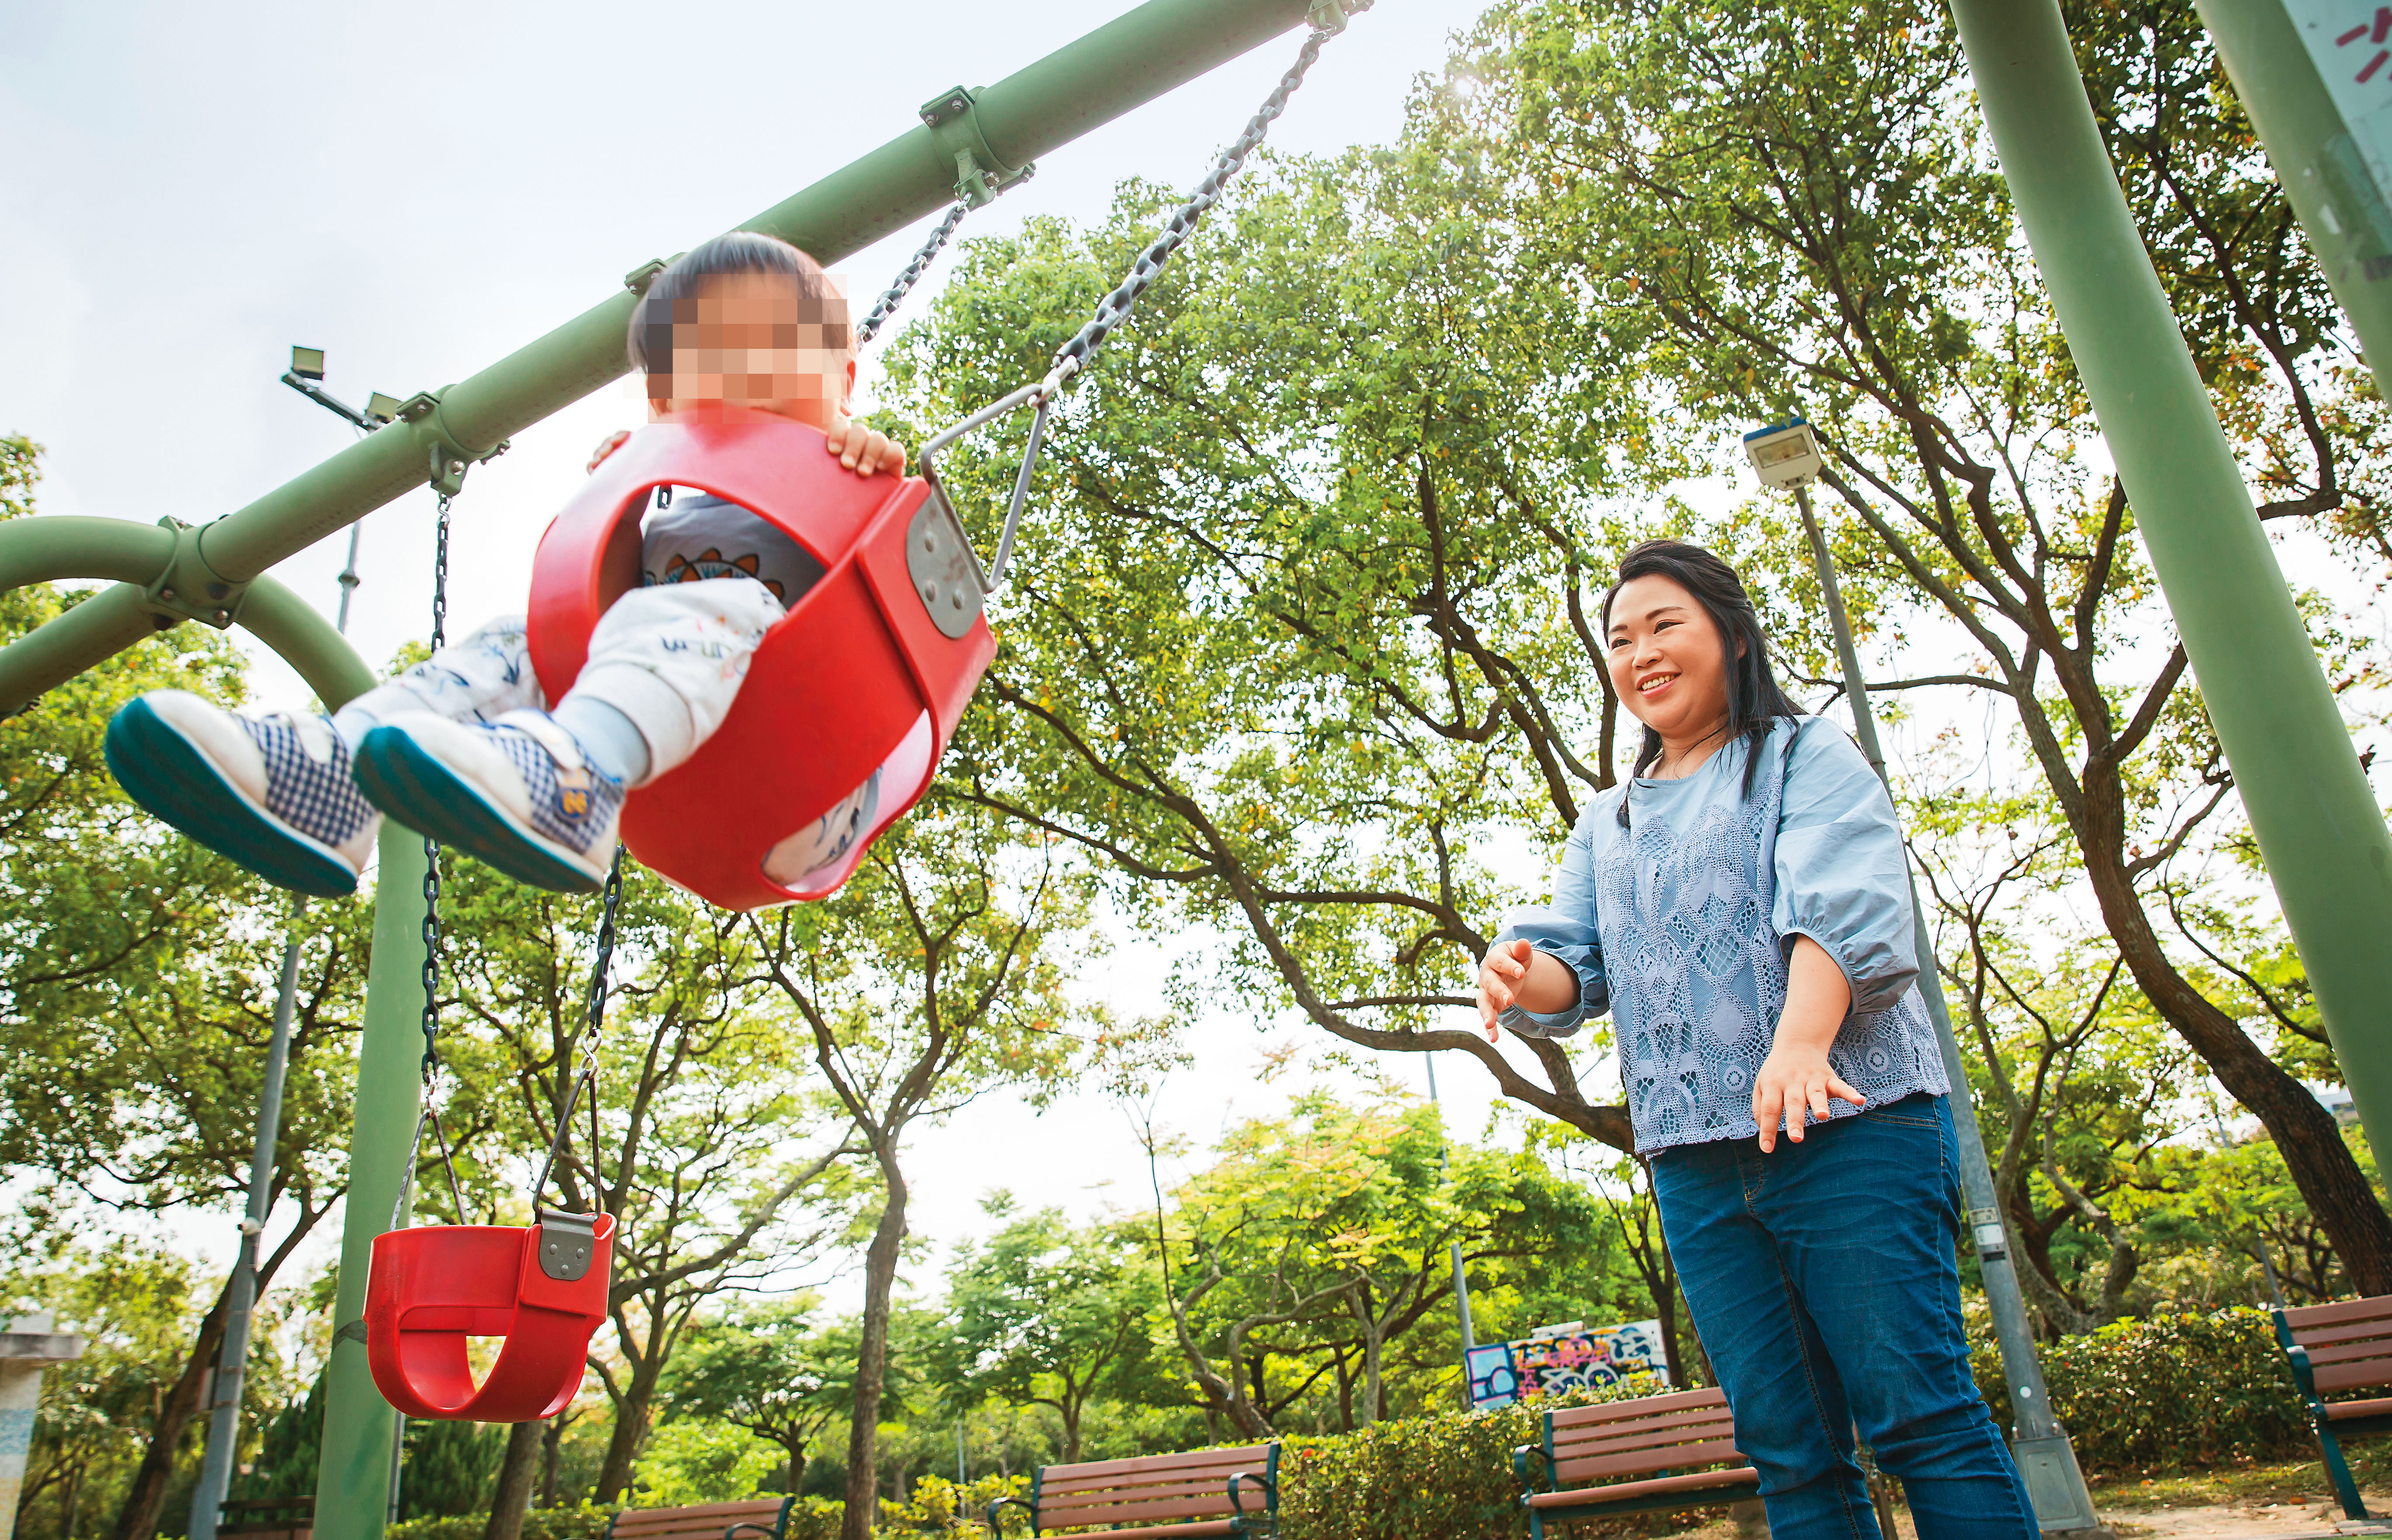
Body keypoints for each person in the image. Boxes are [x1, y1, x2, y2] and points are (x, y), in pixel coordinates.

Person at [1474, 539, 2036, 1537]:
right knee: (1790, 1453)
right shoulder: (1606, 822)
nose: (1639, 651)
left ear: (1731, 635)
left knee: (1922, 1424)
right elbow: (1575, 966)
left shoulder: (1805, 754)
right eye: (1619, 638)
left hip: (1852, 1132)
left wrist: (1800, 1042)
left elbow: (1845, 906)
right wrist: (1524, 973)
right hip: (1696, 1164)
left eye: (1663, 625)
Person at [106, 232, 904, 898]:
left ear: (844, 378)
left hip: (816, 780)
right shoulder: (670, 509)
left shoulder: (851, 472)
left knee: (698, 609)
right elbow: (594, 614)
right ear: (664, 401)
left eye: (775, 344)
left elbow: (905, 580)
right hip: (688, 773)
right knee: (521, 638)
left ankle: (576, 777)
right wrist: (626, 496)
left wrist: (873, 463)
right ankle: (335, 783)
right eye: (710, 358)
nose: (745, 372)